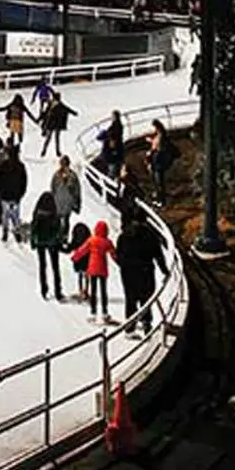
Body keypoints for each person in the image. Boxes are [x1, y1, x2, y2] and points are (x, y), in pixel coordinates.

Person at [115, 207, 170, 336]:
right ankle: (146, 324)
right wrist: (165, 271)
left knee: (130, 299)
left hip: (128, 272)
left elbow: (118, 254)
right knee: (146, 298)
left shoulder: (124, 235)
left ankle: (130, 327)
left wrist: (124, 266)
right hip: (146, 270)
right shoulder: (151, 235)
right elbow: (158, 254)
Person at [71, 220, 118, 324]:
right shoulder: (107, 242)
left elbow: (82, 250)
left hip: (92, 269)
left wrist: (75, 257)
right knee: (103, 291)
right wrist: (120, 262)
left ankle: (93, 313)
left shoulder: (91, 240)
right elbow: (114, 254)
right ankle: (105, 313)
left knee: (93, 291)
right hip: (103, 269)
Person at [30, 191, 65, 301]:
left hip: (40, 242)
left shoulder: (37, 214)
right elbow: (59, 230)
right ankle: (58, 291)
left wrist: (33, 242)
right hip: (52, 243)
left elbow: (33, 229)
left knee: (42, 266)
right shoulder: (54, 214)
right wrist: (59, 241)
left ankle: (44, 289)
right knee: (55, 267)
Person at [0, 145, 28, 243]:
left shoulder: (3, 165)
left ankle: (5, 232)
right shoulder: (21, 166)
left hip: (4, 195)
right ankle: (17, 232)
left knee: (5, 215)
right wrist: (21, 194)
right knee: (16, 215)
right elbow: (24, 182)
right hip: (16, 196)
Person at [146, 121, 177, 206]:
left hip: (158, 162)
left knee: (159, 182)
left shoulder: (161, 137)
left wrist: (152, 146)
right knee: (157, 181)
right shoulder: (160, 136)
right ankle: (159, 198)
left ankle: (161, 200)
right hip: (157, 162)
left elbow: (157, 146)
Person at [38, 92, 77, 158]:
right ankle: (56, 151)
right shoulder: (58, 104)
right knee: (56, 138)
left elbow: (45, 113)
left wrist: (39, 118)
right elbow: (67, 109)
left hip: (51, 124)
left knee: (49, 138)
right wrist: (74, 113)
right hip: (56, 124)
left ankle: (45, 151)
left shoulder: (51, 104)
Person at [95, 110, 125, 183]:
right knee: (115, 168)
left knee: (113, 168)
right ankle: (113, 180)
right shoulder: (118, 126)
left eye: (113, 116)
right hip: (116, 152)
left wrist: (111, 140)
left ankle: (110, 183)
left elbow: (114, 137)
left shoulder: (116, 127)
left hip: (113, 153)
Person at [51, 156, 82, 226]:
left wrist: (77, 203)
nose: (63, 166)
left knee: (66, 221)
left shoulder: (72, 176)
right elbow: (53, 187)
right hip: (58, 202)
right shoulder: (56, 175)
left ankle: (64, 232)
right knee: (57, 221)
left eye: (65, 164)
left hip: (67, 203)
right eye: (62, 164)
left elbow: (77, 190)